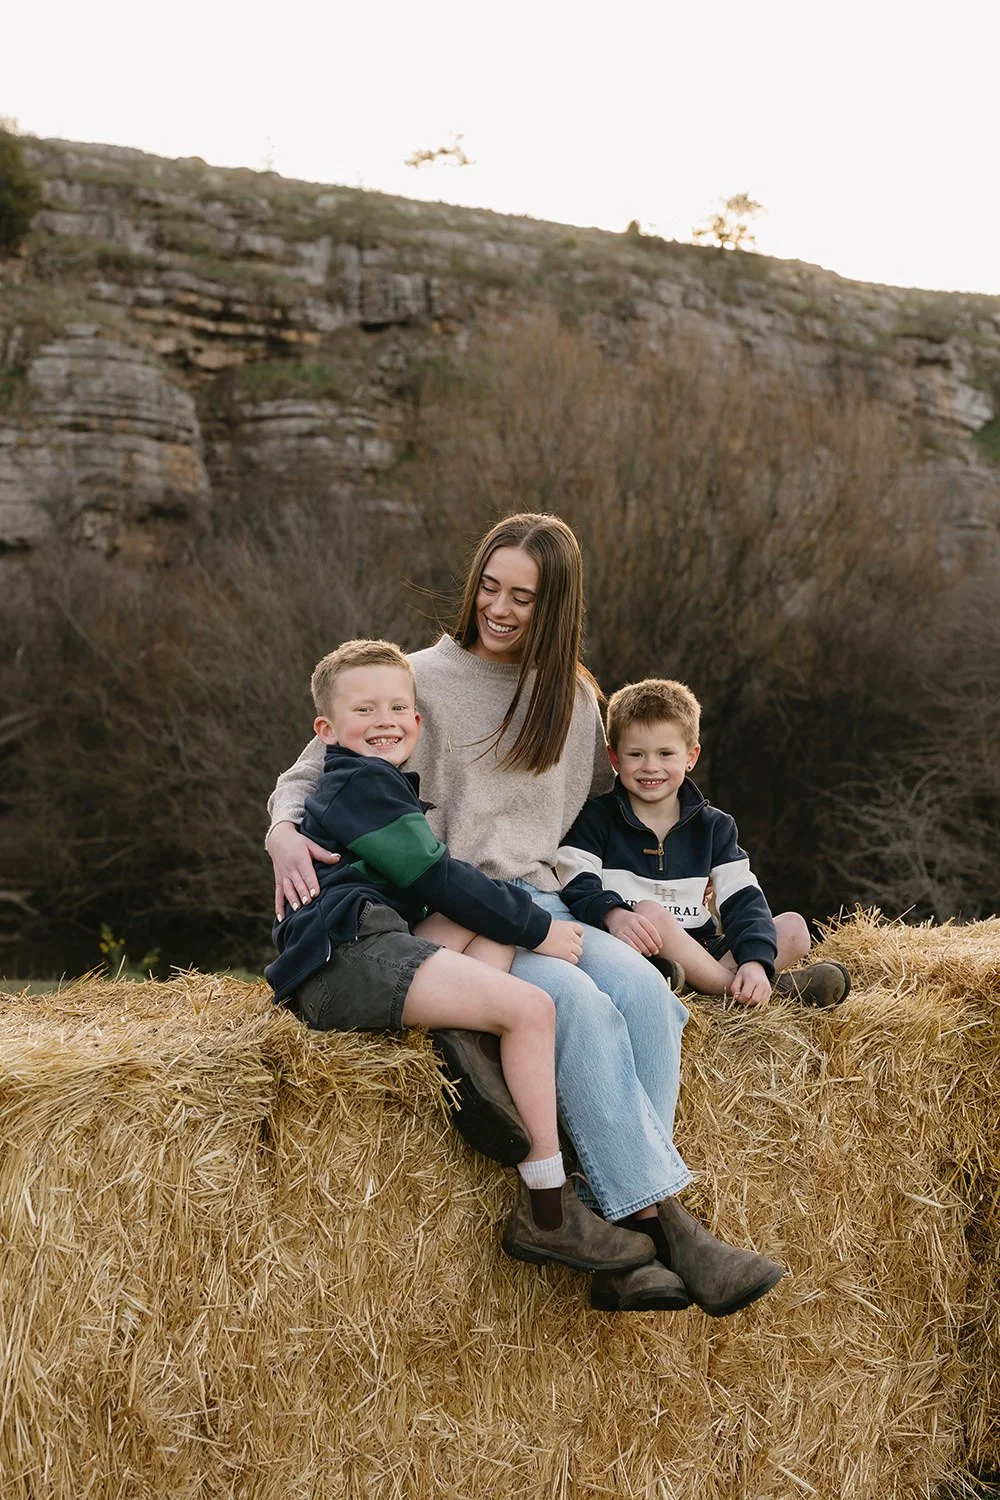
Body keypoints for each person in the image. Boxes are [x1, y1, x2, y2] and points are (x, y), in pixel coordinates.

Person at [266, 513, 783, 1316]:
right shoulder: (417, 680)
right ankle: (663, 1227)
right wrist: (279, 834)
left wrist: (607, 908)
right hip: (465, 908)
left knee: (650, 1000)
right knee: (578, 1009)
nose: (499, 609)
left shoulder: (576, 703)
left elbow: (582, 828)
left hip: (542, 901)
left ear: (559, 607)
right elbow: (314, 768)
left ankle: (621, 1220)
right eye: (489, 586)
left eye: (525, 597)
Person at [267, 637, 656, 1280]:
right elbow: (438, 877)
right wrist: (541, 929)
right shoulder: (360, 786)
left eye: (397, 707)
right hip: (349, 956)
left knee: (494, 919)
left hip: (371, 942)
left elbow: (460, 898)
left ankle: (466, 1043)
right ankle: (548, 1206)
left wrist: (517, 920)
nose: (385, 720)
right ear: (326, 730)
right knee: (533, 1009)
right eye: (364, 711)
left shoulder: (379, 781)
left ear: (419, 723)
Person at [557, 678, 851, 1008]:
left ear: (691, 756)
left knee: (794, 927)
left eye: (665, 753)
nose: (650, 766)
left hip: (703, 946)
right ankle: (755, 988)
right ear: (614, 757)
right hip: (635, 945)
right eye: (635, 754)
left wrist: (754, 961)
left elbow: (741, 897)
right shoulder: (597, 817)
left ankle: (723, 980)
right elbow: (574, 879)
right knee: (650, 913)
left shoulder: (714, 826)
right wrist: (613, 913)